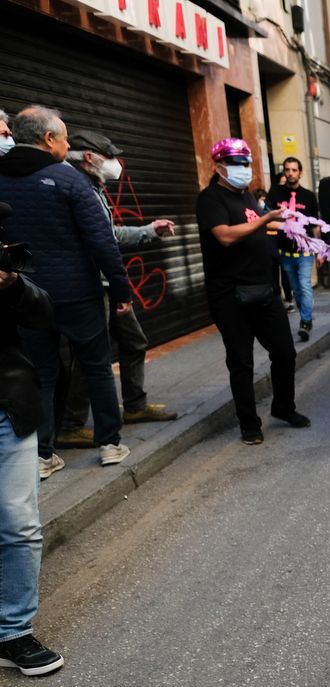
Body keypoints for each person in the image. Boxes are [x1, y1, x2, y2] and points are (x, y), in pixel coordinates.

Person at [0, 106, 132, 477]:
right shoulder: (68, 178)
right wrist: (121, 288)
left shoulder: (1, 179)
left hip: (26, 297)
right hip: (79, 294)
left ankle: (43, 453)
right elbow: (101, 241)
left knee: (40, 372)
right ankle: (109, 443)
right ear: (48, 139)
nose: (68, 143)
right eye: (64, 137)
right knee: (97, 367)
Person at [53, 130, 178, 449]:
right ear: (90, 159)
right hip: (94, 286)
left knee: (134, 341)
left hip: (110, 283)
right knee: (89, 357)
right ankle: (70, 424)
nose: (116, 163)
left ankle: (135, 405)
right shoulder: (74, 189)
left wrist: (149, 231)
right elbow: (99, 241)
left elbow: (108, 234)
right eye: (109, 157)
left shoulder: (94, 187)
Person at [196, 138, 310, 445]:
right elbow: (225, 236)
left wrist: (287, 226)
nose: (243, 169)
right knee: (241, 361)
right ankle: (249, 424)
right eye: (236, 163)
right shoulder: (210, 200)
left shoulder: (247, 197)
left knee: (285, 352)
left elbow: (258, 228)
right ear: (219, 166)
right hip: (231, 296)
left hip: (265, 291)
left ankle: (284, 408)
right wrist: (267, 217)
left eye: (246, 163)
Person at [0, 263, 65, 676]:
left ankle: (13, 631)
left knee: (20, 522)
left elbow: (43, 314)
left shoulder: (8, 278)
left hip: (9, 406)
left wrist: (13, 283)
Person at [266, 157, 320, 341]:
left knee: (304, 286)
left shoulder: (309, 196)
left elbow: (315, 226)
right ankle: (306, 314)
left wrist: (319, 250)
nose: (290, 173)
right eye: (287, 169)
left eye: (294, 170)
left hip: (304, 251)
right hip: (285, 252)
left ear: (300, 172)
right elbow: (265, 218)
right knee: (296, 289)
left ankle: (305, 321)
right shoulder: (275, 193)